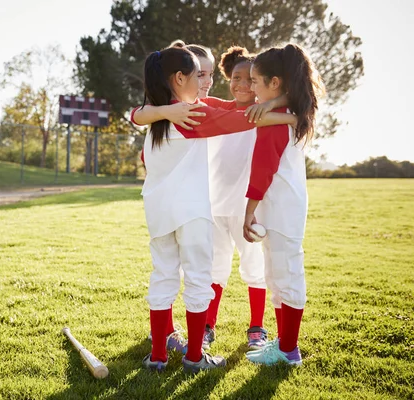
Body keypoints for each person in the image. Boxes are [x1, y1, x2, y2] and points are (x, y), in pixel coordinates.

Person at [138, 45, 296, 373]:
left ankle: (157, 356)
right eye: (198, 75)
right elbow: (246, 119)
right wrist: (293, 115)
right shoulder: (192, 115)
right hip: (192, 214)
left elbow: (138, 115)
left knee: (163, 277)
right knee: (198, 280)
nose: (203, 82)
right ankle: (195, 357)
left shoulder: (157, 114)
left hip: (158, 213)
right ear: (180, 78)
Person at [242, 43, 325, 366]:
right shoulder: (288, 112)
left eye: (255, 81)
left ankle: (289, 350)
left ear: (275, 82)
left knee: (286, 275)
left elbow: (263, 169)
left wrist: (248, 212)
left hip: (281, 208)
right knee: (276, 276)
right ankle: (283, 344)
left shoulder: (278, 119)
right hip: (281, 207)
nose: (250, 88)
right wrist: (275, 101)